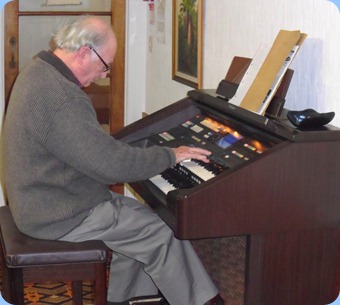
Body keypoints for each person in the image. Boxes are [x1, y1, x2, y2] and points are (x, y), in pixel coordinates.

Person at [3, 16, 224, 305]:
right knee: (159, 233)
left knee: (142, 222)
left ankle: (128, 300)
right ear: (84, 53)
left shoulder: (37, 70)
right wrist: (170, 155)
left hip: (44, 198)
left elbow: (89, 148)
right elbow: (110, 167)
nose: (103, 74)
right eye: (104, 65)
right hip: (56, 213)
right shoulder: (61, 96)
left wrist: (133, 154)